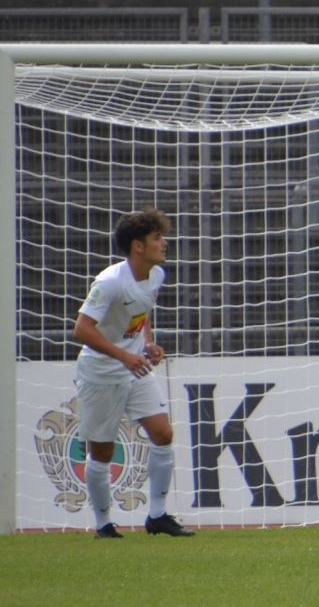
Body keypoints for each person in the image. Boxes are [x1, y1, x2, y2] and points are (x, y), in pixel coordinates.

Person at [73, 207, 193, 539]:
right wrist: (124, 356)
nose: (164, 243)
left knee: (163, 434)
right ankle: (103, 524)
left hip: (134, 368)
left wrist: (148, 344)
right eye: (157, 237)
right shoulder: (110, 282)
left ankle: (157, 516)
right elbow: (82, 329)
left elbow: (140, 314)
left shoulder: (155, 276)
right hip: (101, 373)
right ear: (138, 246)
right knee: (102, 452)